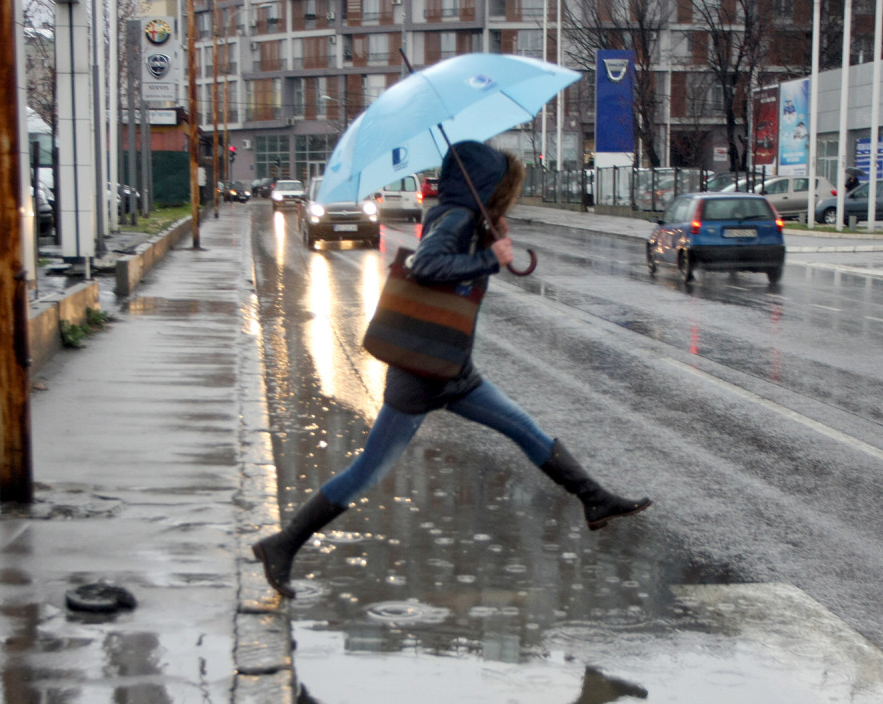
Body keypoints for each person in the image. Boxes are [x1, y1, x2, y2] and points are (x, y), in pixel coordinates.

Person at [253, 140, 651, 598]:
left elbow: (455, 260)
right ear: (485, 184)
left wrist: (490, 235)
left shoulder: (462, 217)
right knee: (368, 470)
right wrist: (488, 257)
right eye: (503, 185)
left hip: (453, 368)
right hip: (423, 373)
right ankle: (282, 546)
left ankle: (593, 499)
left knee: (525, 428)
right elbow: (428, 265)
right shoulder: (456, 218)